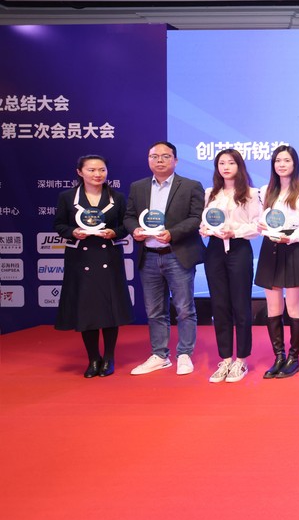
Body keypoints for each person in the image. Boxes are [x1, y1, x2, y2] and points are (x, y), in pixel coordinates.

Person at [123, 141, 205, 376]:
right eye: (154, 156)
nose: (159, 160)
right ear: (148, 160)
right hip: (149, 256)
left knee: (184, 309)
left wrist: (173, 233)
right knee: (154, 311)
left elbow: (196, 218)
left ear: (175, 160)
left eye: (165, 156)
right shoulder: (138, 187)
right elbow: (129, 216)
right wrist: (134, 230)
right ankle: (160, 355)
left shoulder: (190, 186)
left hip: (177, 255)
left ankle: (185, 354)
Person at [53, 155, 133, 377]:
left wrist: (114, 232)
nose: (97, 174)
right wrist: (73, 232)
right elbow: (59, 225)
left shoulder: (117, 197)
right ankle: (93, 358)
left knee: (109, 308)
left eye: (102, 170)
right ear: (80, 172)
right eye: (91, 170)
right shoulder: (67, 197)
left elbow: (125, 226)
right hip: (81, 258)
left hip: (108, 256)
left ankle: (109, 357)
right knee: (86, 309)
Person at [201, 148, 261, 384]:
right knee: (219, 305)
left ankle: (241, 359)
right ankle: (225, 358)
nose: (226, 167)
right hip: (215, 250)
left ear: (239, 166)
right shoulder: (210, 193)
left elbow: (257, 225)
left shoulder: (251, 193)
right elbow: (204, 220)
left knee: (240, 305)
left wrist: (234, 231)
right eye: (221, 163)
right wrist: (205, 229)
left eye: (231, 163)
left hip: (239, 249)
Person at [255, 145, 299, 379]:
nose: (281, 164)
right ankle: (278, 357)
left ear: (294, 163)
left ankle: (293, 358)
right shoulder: (264, 191)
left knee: (294, 308)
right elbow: (257, 220)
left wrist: (290, 238)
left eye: (286, 160)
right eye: (278, 160)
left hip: (293, 247)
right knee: (273, 308)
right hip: (270, 248)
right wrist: (260, 226)